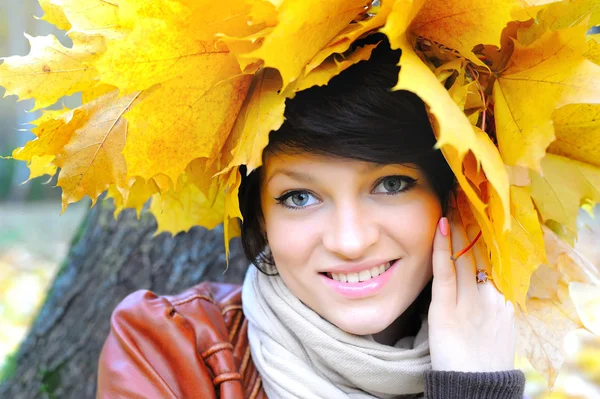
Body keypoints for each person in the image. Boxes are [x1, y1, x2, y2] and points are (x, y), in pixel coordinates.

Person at [96, 37, 526, 398]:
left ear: (453, 198)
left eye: (391, 185)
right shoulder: (169, 350)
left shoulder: (492, 348)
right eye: (299, 197)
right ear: (260, 217)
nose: (350, 241)